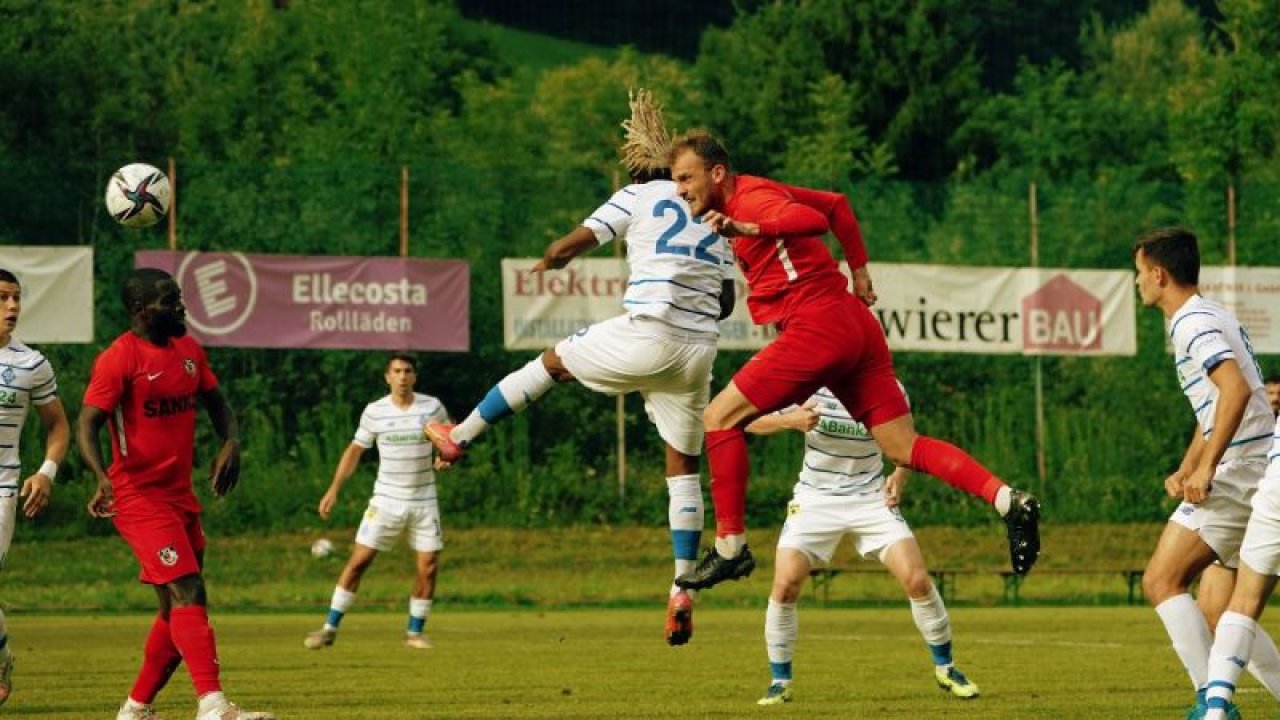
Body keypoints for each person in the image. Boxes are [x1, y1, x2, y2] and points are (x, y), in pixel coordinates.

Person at [424, 89, 735, 646]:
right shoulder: (715, 210)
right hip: (698, 351)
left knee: (551, 364)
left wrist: (549, 257)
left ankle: (459, 437)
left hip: (650, 332)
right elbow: (728, 302)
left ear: (636, 169)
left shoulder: (636, 196)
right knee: (684, 468)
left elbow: (575, 243)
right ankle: (680, 588)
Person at [666, 131, 1041, 591]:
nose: (680, 190)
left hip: (817, 325)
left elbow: (811, 221)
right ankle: (1008, 500)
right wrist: (860, 270)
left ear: (717, 173)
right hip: (853, 323)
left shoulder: (752, 203)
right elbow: (837, 205)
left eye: (685, 178)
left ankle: (730, 548)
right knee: (903, 447)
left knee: (718, 418)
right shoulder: (758, 190)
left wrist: (749, 229)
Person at [77, 268, 274, 720]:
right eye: (169, 300)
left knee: (174, 611)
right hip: (138, 497)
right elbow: (87, 422)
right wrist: (99, 475)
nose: (181, 306)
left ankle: (135, 708)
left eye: (179, 297)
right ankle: (213, 704)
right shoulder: (118, 358)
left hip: (180, 497)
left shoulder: (188, 350)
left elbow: (218, 404)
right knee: (189, 590)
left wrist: (232, 441)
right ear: (140, 310)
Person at [746, 386, 979, 706]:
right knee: (785, 584)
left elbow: (909, 442)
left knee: (917, 580)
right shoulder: (809, 384)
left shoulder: (888, 388)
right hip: (816, 500)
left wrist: (899, 474)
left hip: (870, 499)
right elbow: (747, 420)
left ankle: (946, 668)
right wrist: (790, 420)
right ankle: (780, 681)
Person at [1127, 228, 1275, 718]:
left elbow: (1233, 392)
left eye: (1138, 273)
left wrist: (1209, 466)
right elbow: (1213, 407)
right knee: (1222, 609)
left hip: (1240, 470)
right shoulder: (1209, 314)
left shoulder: (1192, 323)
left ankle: (1209, 703)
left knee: (1162, 579)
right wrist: (1189, 464)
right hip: (1248, 465)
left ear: (1158, 273)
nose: (1136, 284)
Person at [304, 354, 452, 650]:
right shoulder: (375, 412)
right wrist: (334, 489)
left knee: (429, 565)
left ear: (415, 376)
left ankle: (415, 632)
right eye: (396, 371)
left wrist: (446, 456)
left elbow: (450, 438)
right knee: (359, 561)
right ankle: (329, 627)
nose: (402, 377)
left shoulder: (432, 406)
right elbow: (355, 450)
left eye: (407, 371)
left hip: (424, 499)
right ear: (387, 377)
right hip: (386, 499)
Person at [0, 269, 70, 707]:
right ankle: (3, 653)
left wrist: (46, 471)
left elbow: (58, 424)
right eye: (3, 298)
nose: (12, 307)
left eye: (16, 299)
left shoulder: (30, 363)